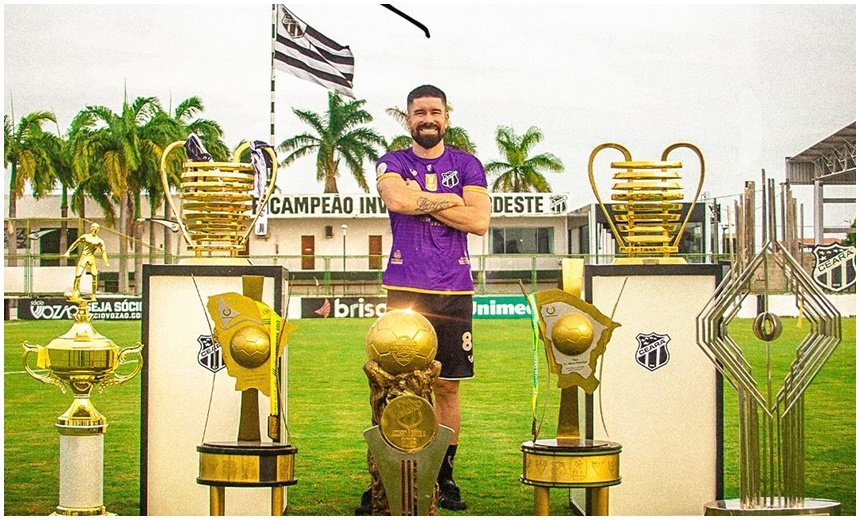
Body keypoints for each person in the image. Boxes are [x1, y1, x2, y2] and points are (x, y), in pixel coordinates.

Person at [357, 84, 491, 514]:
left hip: (454, 288)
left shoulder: (468, 164)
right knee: (394, 385)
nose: (427, 118)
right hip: (406, 286)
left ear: (446, 117)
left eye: (435, 111)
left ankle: (441, 476)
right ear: (409, 119)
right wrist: (449, 202)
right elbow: (395, 197)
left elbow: (479, 221)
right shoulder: (393, 161)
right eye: (419, 112)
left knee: (447, 386)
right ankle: (392, 475)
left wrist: (424, 203)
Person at [64, 223, 110, 299]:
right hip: (84, 257)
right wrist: (68, 251)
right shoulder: (85, 237)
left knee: (94, 275)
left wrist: (106, 261)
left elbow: (103, 251)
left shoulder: (99, 241)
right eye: (93, 227)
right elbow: (76, 243)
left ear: (98, 229)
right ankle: (75, 290)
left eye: (96, 228)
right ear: (91, 228)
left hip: (91, 258)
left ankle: (93, 295)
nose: (94, 229)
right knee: (78, 275)